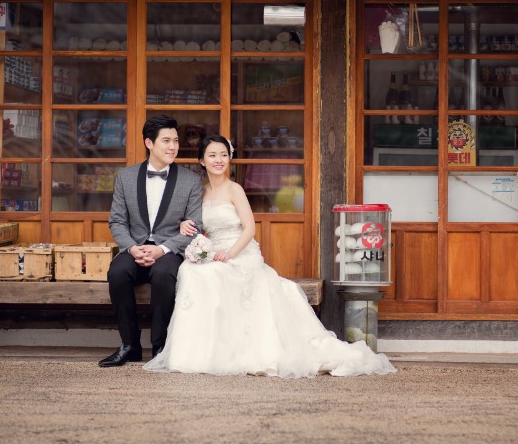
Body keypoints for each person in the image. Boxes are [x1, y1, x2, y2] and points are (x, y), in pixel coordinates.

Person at [145, 135, 396, 377]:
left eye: (223, 154)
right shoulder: (199, 191)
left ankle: (230, 351)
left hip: (240, 251)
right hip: (214, 250)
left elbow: (250, 229)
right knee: (190, 271)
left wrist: (230, 253)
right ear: (202, 161)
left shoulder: (235, 190)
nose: (218, 160)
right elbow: (197, 225)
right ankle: (196, 353)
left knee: (216, 274)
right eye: (212, 155)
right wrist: (187, 231)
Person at [99, 115, 204, 367]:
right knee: (117, 272)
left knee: (164, 275)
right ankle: (129, 345)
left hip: (169, 251)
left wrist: (163, 249)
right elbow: (117, 221)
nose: (173, 146)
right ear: (149, 143)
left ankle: (160, 347)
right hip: (134, 247)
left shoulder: (191, 180)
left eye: (175, 141)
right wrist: (133, 248)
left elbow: (195, 226)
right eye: (166, 141)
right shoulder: (125, 177)